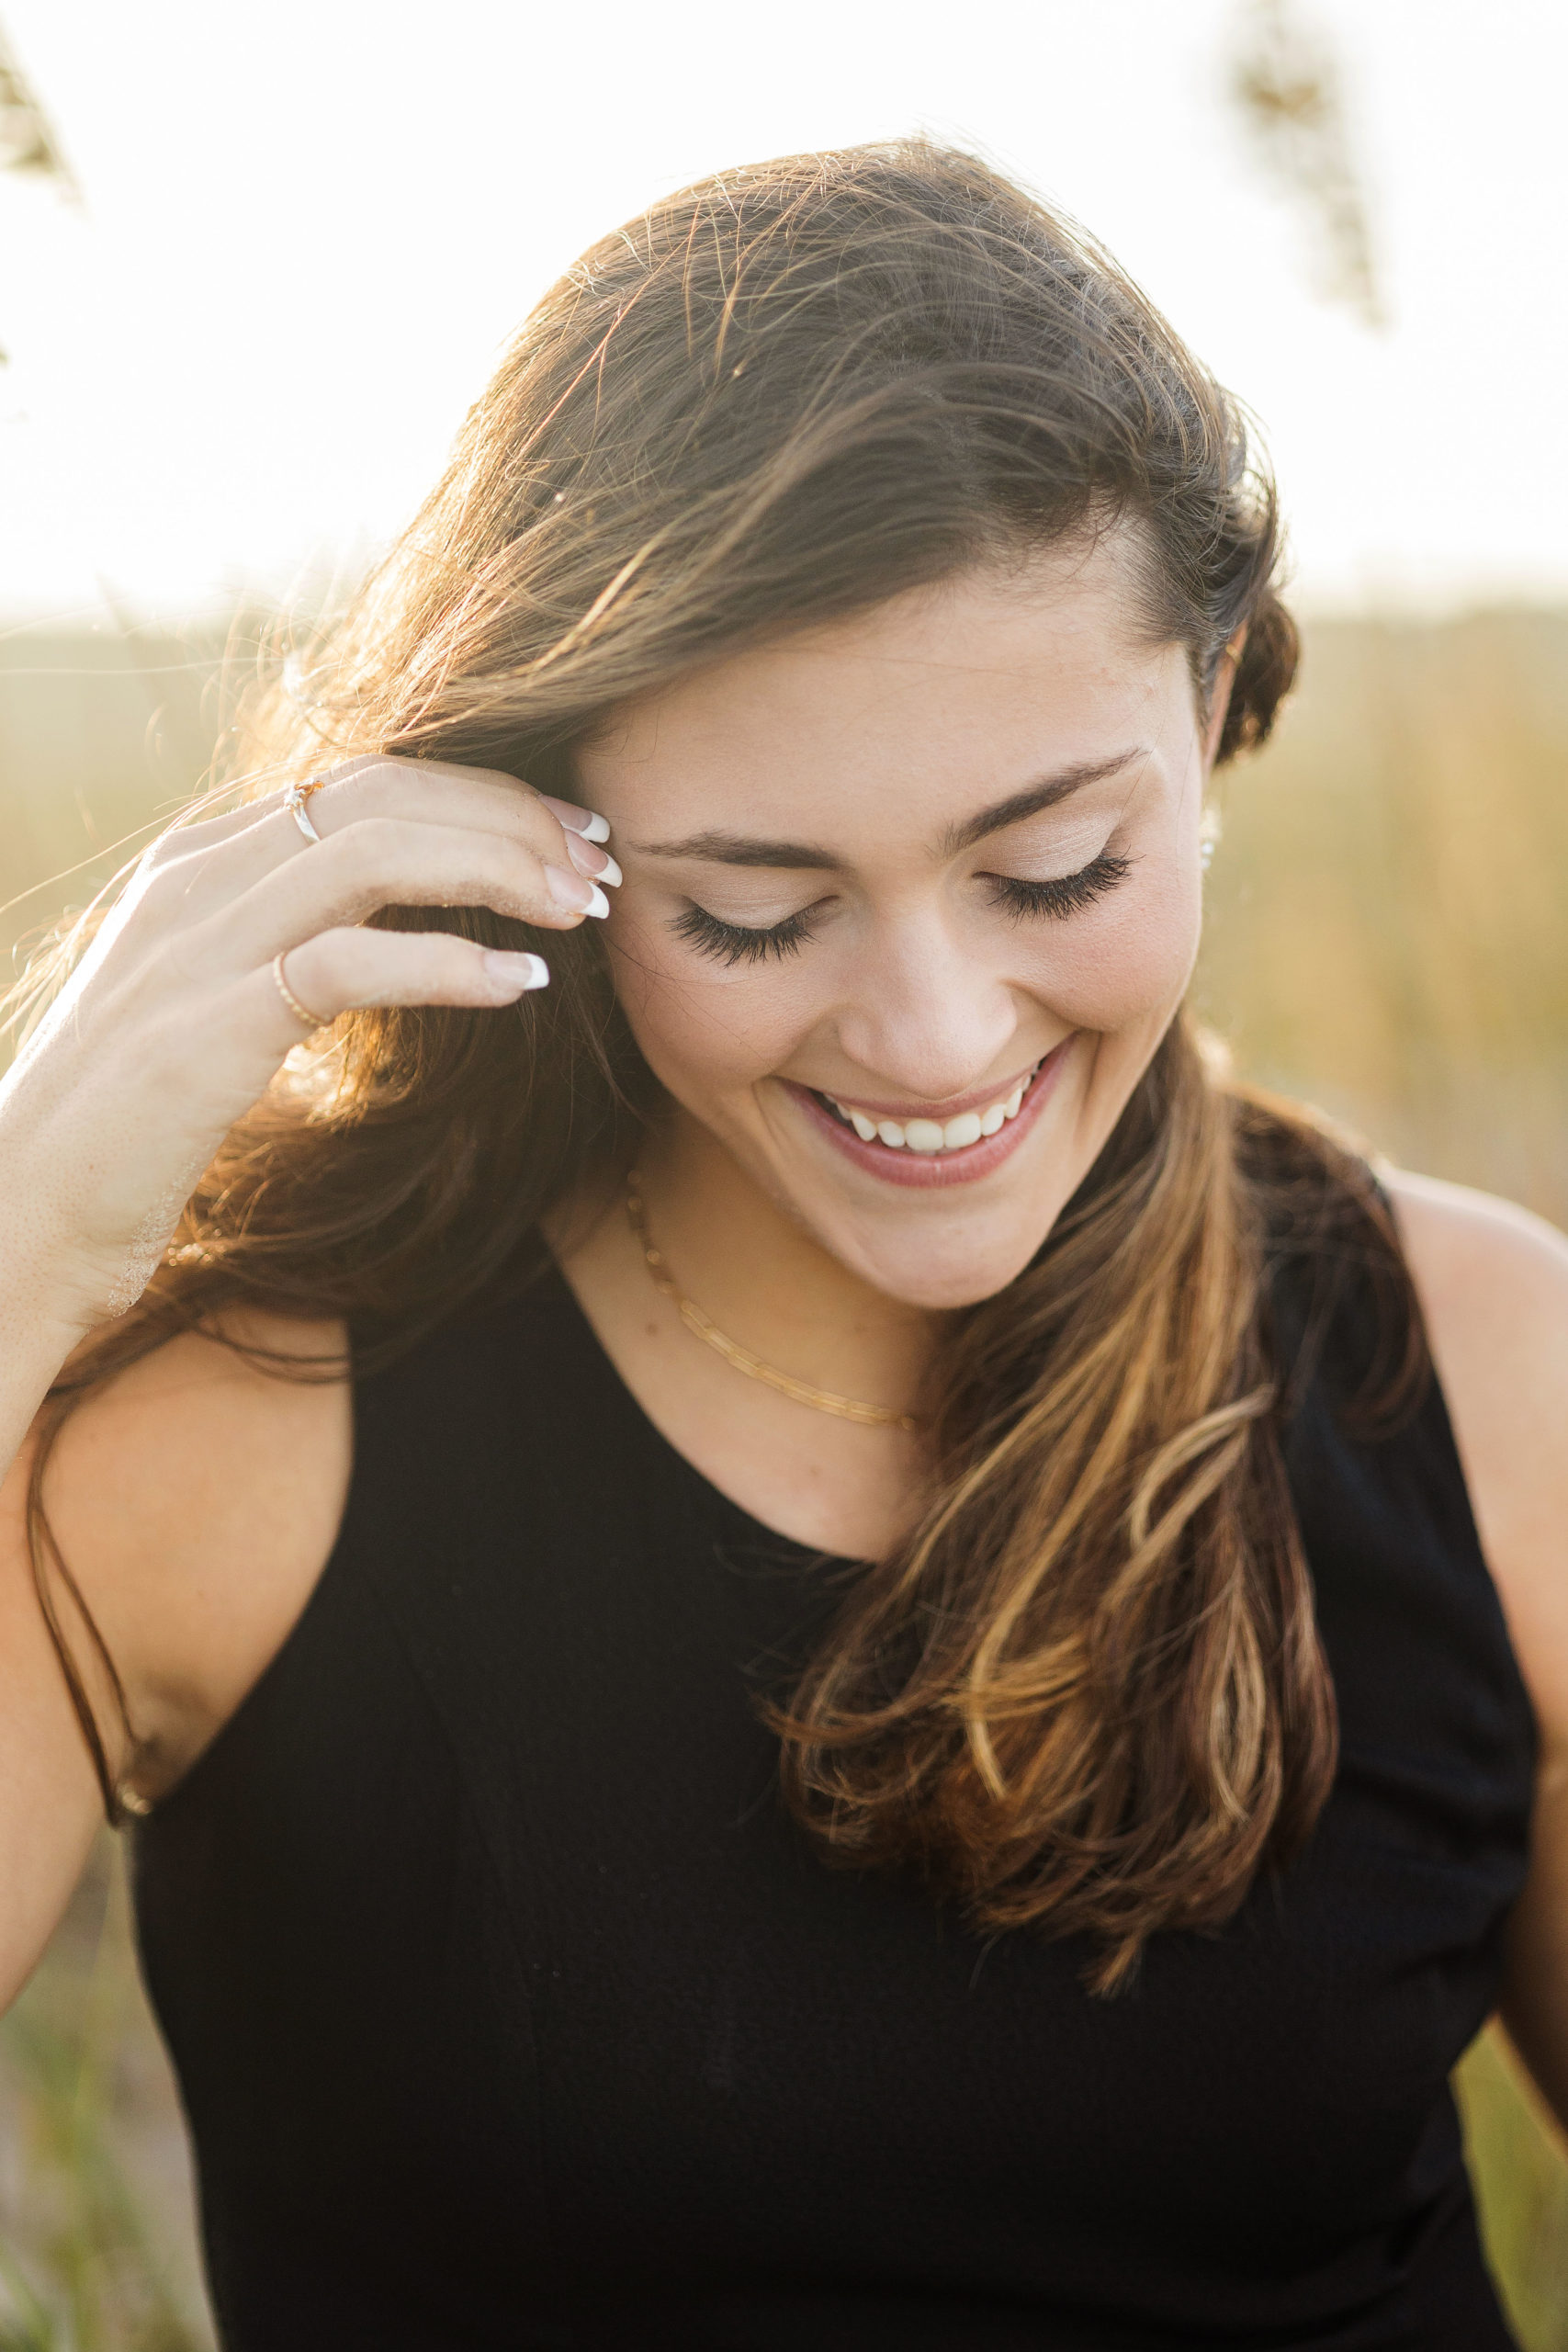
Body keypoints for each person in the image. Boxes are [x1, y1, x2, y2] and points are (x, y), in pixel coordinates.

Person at [0, 140, 1563, 2352]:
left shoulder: (1481, 1379)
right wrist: (18, 1241)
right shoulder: (245, 1452)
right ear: (547, 845)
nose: (931, 1034)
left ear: (1211, 714)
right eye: (753, 907)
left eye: (1053, 869)